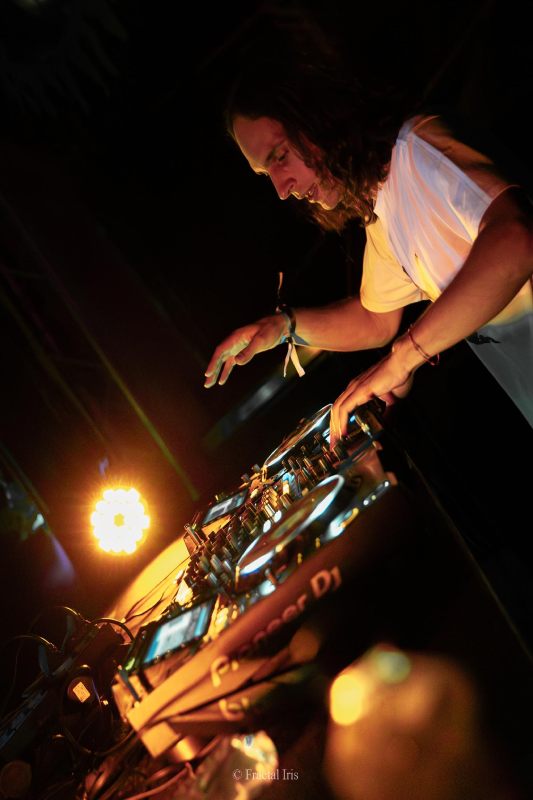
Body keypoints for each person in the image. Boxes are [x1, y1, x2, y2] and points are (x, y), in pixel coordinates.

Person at [203, 55, 533, 449]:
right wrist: (283, 328)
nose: (281, 189)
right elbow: (375, 319)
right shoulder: (381, 204)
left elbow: (515, 242)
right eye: (266, 174)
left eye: (280, 156)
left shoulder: (418, 148)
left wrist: (403, 358)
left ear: (316, 116)